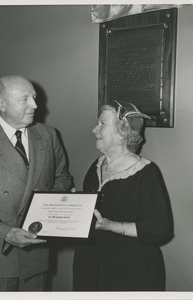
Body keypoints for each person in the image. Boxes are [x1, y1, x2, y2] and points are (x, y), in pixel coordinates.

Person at [0, 75, 72, 291]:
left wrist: (51, 209)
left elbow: (63, 178)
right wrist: (5, 233)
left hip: (37, 253)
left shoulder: (48, 135)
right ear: (1, 104)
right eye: (25, 99)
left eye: (34, 97)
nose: (35, 105)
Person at [73, 100, 173, 291]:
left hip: (131, 269)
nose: (95, 129)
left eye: (102, 124)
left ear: (123, 132)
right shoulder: (96, 166)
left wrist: (112, 226)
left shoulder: (146, 172)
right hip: (90, 265)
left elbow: (160, 228)